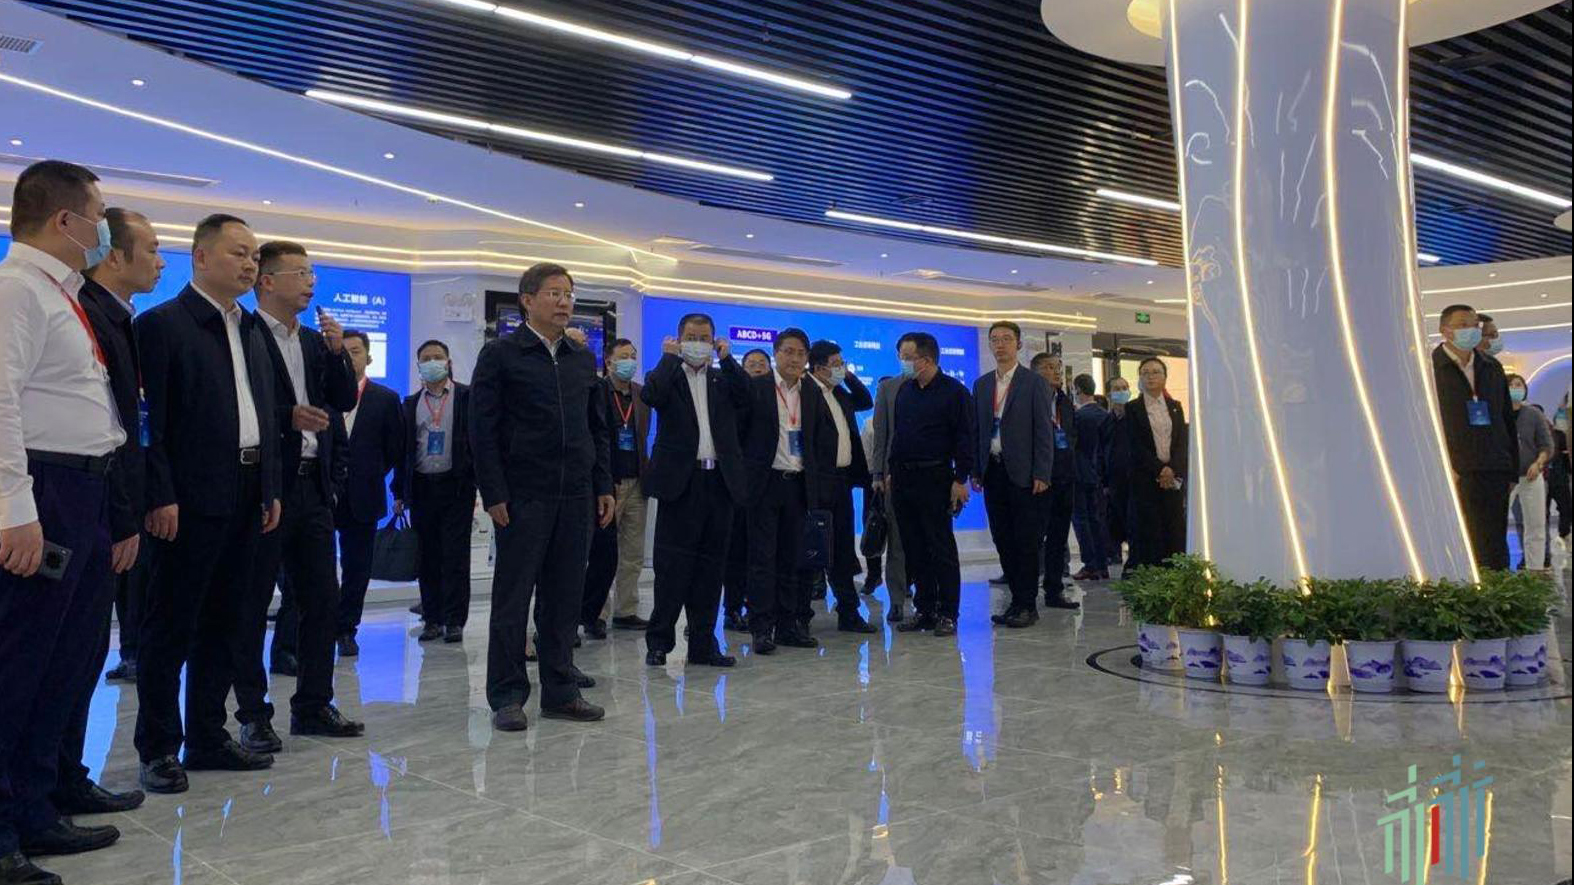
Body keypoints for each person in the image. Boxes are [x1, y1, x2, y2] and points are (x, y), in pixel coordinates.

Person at [0, 161, 128, 881]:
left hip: (85, 489)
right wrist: (14, 509)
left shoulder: (61, 292)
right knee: (19, 663)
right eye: (99, 215)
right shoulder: (17, 289)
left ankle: (36, 809)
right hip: (43, 491)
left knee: (65, 662)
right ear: (65, 221)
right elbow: (0, 403)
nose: (104, 228)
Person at [134, 213, 283, 795]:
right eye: (237, 253)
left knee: (228, 620)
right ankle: (157, 747)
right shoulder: (162, 326)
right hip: (188, 499)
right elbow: (149, 424)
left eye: (254, 256)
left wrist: (269, 487)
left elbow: (264, 414)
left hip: (247, 492)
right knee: (170, 624)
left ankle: (207, 736)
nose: (249, 264)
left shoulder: (252, 327)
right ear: (199, 257)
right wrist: (160, 493)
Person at [232, 240, 363, 753]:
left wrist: (336, 353)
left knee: (321, 600)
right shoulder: (243, 334)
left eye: (312, 274)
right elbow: (240, 409)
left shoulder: (312, 340)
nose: (311, 283)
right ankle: (252, 714)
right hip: (265, 485)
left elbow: (342, 399)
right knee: (252, 602)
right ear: (267, 281)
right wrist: (286, 418)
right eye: (300, 274)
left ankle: (313, 704)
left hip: (312, 487)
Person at [54, 208, 162, 824]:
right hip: (81, 502)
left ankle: (66, 777)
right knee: (63, 657)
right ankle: (47, 787)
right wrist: (124, 517)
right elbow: (110, 430)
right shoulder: (85, 312)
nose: (161, 262)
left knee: (85, 653)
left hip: (107, 505)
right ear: (114, 256)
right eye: (152, 249)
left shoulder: (116, 318)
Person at [472, 263, 614, 731]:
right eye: (553, 293)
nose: (564, 301)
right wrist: (494, 491)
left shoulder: (581, 359)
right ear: (527, 300)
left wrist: (602, 484)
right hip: (522, 496)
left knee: (564, 598)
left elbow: (597, 429)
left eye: (568, 293)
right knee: (513, 599)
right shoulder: (501, 354)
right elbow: (482, 430)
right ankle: (507, 695)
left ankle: (560, 691)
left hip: (576, 495)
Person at [641, 314, 751, 666]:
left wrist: (728, 359)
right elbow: (651, 395)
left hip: (719, 483)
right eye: (691, 336)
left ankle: (703, 644)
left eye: (705, 338)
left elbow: (748, 396)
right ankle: (659, 642)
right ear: (678, 338)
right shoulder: (668, 376)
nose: (698, 343)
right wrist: (669, 358)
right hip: (681, 485)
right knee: (672, 568)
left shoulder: (723, 379)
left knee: (711, 570)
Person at [743, 328, 829, 652]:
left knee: (794, 559)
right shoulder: (757, 388)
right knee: (762, 560)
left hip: (799, 485)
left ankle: (788, 626)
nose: (795, 358)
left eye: (801, 353)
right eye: (788, 351)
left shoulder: (812, 392)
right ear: (776, 353)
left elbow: (819, 439)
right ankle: (761, 628)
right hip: (765, 485)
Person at [889, 333, 974, 637]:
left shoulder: (954, 392)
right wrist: (891, 472)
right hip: (904, 479)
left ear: (925, 360)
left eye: (906, 357)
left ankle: (948, 612)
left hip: (937, 477)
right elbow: (899, 435)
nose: (903, 363)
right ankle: (924, 609)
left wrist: (960, 479)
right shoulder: (905, 391)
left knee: (940, 547)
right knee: (914, 547)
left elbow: (965, 437)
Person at [971, 322, 1054, 629]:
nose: (1000, 344)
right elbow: (978, 430)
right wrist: (976, 469)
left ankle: (1027, 604)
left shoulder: (1034, 383)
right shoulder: (982, 385)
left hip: (1025, 473)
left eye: (1006, 339)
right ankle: (1016, 601)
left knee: (1026, 541)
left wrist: (1042, 471)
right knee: (1003, 538)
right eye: (995, 339)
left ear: (1018, 344)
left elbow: (1044, 431)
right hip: (993, 471)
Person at [394, 340, 476, 643]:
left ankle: (454, 620)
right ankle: (432, 618)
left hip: (457, 487)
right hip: (421, 487)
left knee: (456, 556)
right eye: (426, 358)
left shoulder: (467, 396)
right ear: (419, 366)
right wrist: (399, 492)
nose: (432, 362)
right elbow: (402, 451)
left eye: (437, 357)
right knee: (427, 557)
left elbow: (478, 441)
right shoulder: (410, 403)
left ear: (448, 362)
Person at [333, 330, 405, 656]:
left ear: (368, 357)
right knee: (314, 568)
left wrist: (369, 472)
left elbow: (394, 448)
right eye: (343, 352)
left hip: (363, 494)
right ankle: (317, 626)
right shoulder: (322, 392)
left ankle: (346, 629)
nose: (349, 358)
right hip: (322, 493)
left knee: (357, 568)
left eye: (356, 351)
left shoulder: (385, 399)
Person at [1432, 305, 1518, 571]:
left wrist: (1511, 468)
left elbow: (1506, 419)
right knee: (1459, 537)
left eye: (1473, 325)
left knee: (1493, 540)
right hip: (1455, 469)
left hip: (1494, 466)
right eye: (1462, 325)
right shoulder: (1430, 369)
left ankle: (1497, 589)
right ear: (1444, 330)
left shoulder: (1491, 367)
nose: (1470, 330)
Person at [805, 340, 878, 634]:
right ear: (818, 368)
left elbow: (865, 400)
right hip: (815, 482)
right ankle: (799, 616)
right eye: (835, 364)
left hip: (842, 481)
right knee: (813, 550)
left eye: (842, 363)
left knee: (842, 549)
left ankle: (849, 612)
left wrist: (846, 375)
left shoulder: (840, 394)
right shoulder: (806, 392)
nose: (841, 368)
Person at [581, 338, 651, 639]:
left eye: (633, 356)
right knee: (602, 554)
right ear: (608, 362)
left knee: (632, 552)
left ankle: (626, 610)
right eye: (623, 356)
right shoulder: (597, 391)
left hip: (638, 480)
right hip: (608, 484)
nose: (629, 362)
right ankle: (596, 613)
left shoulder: (641, 394)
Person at [721, 348, 772, 631]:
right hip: (738, 486)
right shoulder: (733, 397)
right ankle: (732, 608)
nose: (757, 368)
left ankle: (759, 608)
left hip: (767, 486)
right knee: (736, 552)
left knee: (762, 552)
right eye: (751, 364)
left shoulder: (776, 399)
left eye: (762, 364)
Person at [868, 335, 916, 623]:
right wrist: (878, 473)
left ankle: (929, 598)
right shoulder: (887, 388)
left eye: (913, 355)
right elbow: (881, 435)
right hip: (893, 478)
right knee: (896, 543)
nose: (908, 360)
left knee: (928, 541)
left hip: (930, 477)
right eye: (904, 355)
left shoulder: (943, 388)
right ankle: (897, 600)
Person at [1123, 357, 1188, 569]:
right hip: (1146, 478)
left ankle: (1174, 575)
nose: (1150, 377)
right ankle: (1149, 576)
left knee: (1174, 529)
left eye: (1156, 372)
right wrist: (1160, 469)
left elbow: (1181, 442)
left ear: (1165, 377)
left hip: (1172, 479)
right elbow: (1135, 445)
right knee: (1148, 530)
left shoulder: (1175, 407)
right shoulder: (1132, 409)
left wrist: (1172, 469)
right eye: (1145, 373)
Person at [1033, 353, 1079, 609]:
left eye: (1057, 367)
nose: (1056, 372)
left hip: (1064, 477)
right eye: (1049, 367)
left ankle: (1054, 589)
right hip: (1039, 479)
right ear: (1036, 373)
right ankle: (1027, 592)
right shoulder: (1030, 399)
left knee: (1058, 536)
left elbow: (1071, 434)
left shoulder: (1064, 401)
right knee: (1034, 537)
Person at [1505, 375, 1553, 572]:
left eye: (1519, 385)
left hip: (1531, 475)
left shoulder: (1534, 414)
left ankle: (1535, 569)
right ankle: (1497, 569)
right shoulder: (1499, 413)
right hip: (1506, 477)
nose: (1515, 388)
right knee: (1497, 523)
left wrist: (1538, 463)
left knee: (1535, 524)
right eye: (1511, 385)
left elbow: (1546, 445)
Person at [1070, 373, 1112, 581]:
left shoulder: (1078, 417)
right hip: (1098, 474)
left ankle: (1090, 564)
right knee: (1097, 519)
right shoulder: (1105, 415)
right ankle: (1102, 563)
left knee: (1080, 519)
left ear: (1077, 389)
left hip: (1079, 473)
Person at [1104, 377, 1134, 569]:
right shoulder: (1106, 421)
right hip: (1114, 483)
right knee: (1116, 522)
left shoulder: (1136, 418)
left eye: (1124, 388)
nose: (1122, 391)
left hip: (1134, 481)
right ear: (1109, 394)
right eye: (1117, 388)